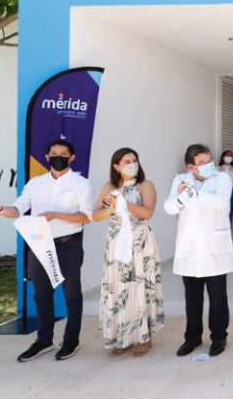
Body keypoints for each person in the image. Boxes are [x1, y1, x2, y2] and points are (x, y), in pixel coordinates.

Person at [0, 139, 93, 362]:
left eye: (63, 154)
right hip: (40, 244)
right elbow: (19, 208)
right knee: (41, 294)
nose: (58, 157)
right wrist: (3, 210)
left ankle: (71, 340)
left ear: (71, 158)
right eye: (54, 153)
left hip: (69, 244)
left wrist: (56, 215)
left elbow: (86, 217)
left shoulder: (81, 184)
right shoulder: (35, 184)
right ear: (47, 157)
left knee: (72, 294)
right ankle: (44, 340)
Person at [164, 143, 233, 357]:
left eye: (209, 161)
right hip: (190, 247)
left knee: (217, 296)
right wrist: (180, 198)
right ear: (190, 166)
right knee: (192, 296)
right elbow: (169, 208)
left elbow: (222, 203)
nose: (207, 166)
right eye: (201, 163)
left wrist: (194, 194)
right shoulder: (180, 180)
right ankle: (192, 337)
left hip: (214, 246)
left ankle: (219, 337)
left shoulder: (222, 178)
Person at [92, 147, 164, 357]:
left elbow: (148, 212)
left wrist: (123, 204)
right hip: (116, 243)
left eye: (134, 160)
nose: (132, 163)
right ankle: (121, 337)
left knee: (139, 287)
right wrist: (110, 209)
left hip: (139, 242)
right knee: (119, 288)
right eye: (126, 161)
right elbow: (96, 215)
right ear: (116, 166)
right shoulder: (109, 187)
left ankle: (144, 336)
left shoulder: (145, 185)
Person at [219, 150, 233, 225]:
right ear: (223, 157)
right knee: (220, 213)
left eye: (231, 156)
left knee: (230, 213)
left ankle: (228, 234)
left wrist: (231, 188)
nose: (229, 157)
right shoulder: (217, 168)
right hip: (220, 193)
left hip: (232, 192)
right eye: (227, 155)